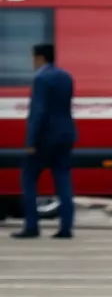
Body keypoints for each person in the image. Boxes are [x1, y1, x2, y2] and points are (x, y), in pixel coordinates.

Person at [13, 43, 77, 240]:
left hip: (44, 139)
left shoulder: (41, 78)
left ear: (39, 58)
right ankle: (66, 227)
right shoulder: (66, 77)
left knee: (29, 179)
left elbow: (38, 111)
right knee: (63, 181)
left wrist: (31, 140)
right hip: (65, 135)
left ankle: (32, 226)